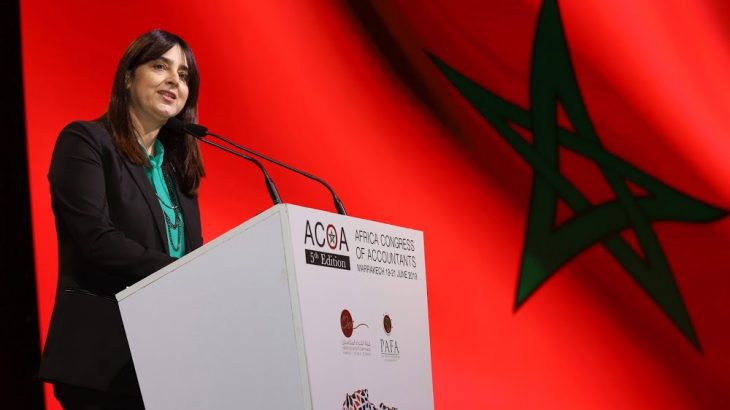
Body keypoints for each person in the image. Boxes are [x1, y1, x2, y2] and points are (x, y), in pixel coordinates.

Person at [38, 29, 205, 409]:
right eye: (160, 66)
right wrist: (188, 274)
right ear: (128, 77)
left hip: (171, 358)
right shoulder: (86, 141)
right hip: (106, 360)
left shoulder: (178, 171)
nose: (174, 81)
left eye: (183, 75)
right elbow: (96, 239)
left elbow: (193, 255)